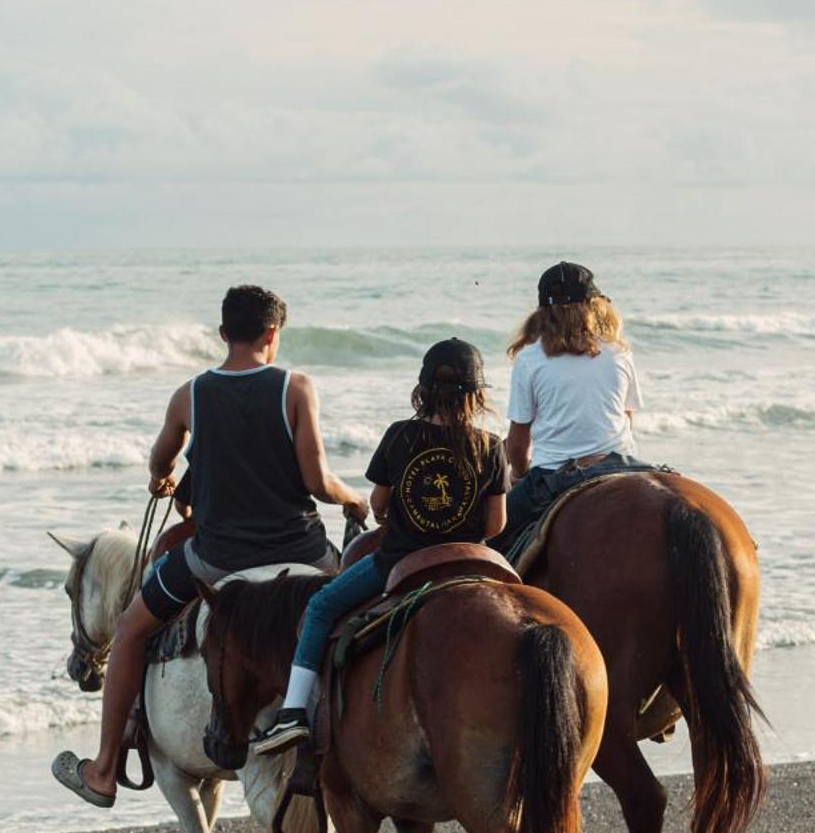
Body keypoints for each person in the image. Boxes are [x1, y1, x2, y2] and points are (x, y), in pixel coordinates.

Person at [53, 285, 369, 806]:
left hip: (217, 558)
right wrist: (353, 499)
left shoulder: (190, 395)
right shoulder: (296, 388)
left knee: (131, 628)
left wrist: (164, 479)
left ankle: (105, 769)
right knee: (360, 617)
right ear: (273, 334)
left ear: (223, 335)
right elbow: (317, 482)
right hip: (303, 551)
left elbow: (161, 461)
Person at [250, 337, 506, 754]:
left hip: (400, 563)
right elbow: (496, 525)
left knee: (320, 608)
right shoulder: (490, 446)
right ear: (477, 395)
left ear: (422, 390)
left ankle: (294, 712)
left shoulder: (400, 436)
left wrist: (402, 518)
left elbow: (380, 505)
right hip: (469, 566)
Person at [490, 261, 647, 555]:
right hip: (624, 465)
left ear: (542, 311)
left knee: (491, 540)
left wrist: (520, 477)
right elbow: (627, 420)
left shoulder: (530, 360)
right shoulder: (619, 352)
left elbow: (518, 444)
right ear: (593, 306)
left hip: (554, 474)